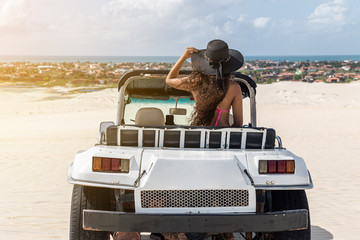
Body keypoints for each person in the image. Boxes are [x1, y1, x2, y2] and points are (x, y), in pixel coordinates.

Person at [166, 39, 244, 127]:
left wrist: (183, 57)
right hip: (223, 136)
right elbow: (238, 123)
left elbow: (169, 79)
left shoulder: (195, 83)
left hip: (200, 134)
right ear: (228, 65)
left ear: (205, 63)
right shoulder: (234, 88)